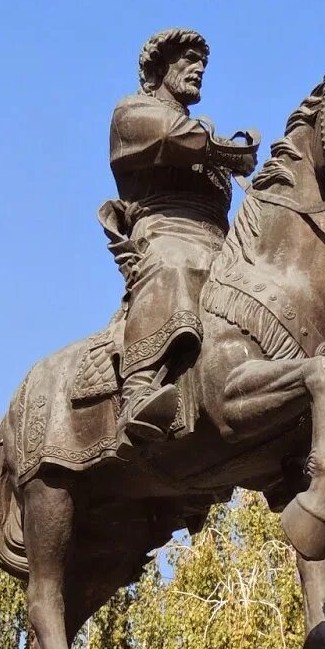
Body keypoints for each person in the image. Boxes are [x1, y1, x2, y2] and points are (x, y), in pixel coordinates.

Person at [103, 28, 259, 446]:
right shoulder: (132, 113)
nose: (199, 68)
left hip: (221, 242)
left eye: (203, 62)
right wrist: (226, 150)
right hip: (165, 231)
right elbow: (174, 136)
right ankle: (138, 391)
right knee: (173, 264)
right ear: (160, 66)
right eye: (188, 59)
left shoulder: (206, 137)